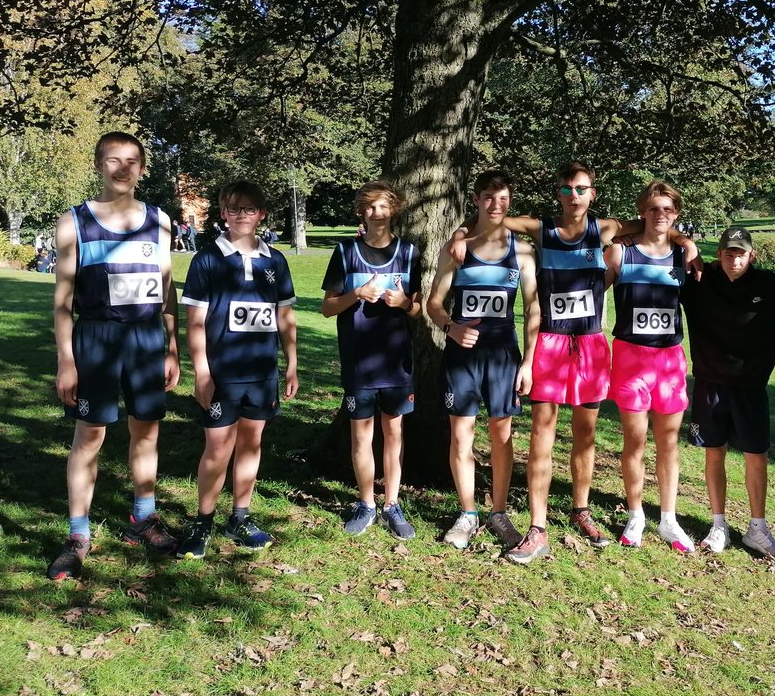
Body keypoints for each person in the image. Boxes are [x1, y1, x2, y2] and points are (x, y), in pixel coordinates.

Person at [450, 162, 700, 564]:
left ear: (592, 194)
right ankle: (538, 526)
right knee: (541, 436)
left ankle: (581, 509)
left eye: (581, 189)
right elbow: (489, 215)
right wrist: (463, 233)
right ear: (559, 194)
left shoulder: (605, 230)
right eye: (566, 189)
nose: (574, 196)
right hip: (549, 344)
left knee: (585, 435)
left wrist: (685, 241)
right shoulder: (539, 227)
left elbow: (655, 223)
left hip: (590, 345)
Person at [47, 132, 180, 580]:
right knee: (90, 436)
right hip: (97, 340)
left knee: (146, 432)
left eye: (131, 160)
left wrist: (173, 346)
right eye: (112, 160)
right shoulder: (74, 222)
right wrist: (67, 359)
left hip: (146, 340)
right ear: (98, 165)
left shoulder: (160, 221)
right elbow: (63, 300)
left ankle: (143, 519)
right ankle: (78, 534)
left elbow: (166, 288)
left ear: (143, 168)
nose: (122, 168)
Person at [177, 181, 298, 558]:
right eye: (233, 209)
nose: (240, 216)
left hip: (262, 372)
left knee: (251, 443)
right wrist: (202, 372)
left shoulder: (275, 260)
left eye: (248, 209)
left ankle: (240, 517)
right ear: (222, 212)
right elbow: (194, 321)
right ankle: (203, 520)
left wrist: (291, 364)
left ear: (261, 214)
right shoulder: (208, 259)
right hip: (222, 372)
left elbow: (285, 316)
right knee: (217, 447)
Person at [426, 170, 540, 552]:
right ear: (476, 200)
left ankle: (500, 511)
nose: (497, 205)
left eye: (504, 198)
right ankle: (468, 513)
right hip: (462, 356)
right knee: (462, 435)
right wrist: (451, 327)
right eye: (490, 197)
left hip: (504, 356)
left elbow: (534, 308)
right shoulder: (456, 248)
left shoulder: (521, 251)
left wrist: (527, 364)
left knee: (502, 434)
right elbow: (434, 303)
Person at [680, 227, 775, 559]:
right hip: (710, 383)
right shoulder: (700, 280)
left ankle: (758, 528)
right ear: (719, 254)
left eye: (740, 253)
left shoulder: (771, 286)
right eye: (728, 253)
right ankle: (719, 525)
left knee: (756, 456)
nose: (734, 259)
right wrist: (685, 241)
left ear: (751, 256)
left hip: (751, 387)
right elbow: (657, 236)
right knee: (714, 453)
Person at [321, 181, 422, 540]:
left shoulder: (409, 253)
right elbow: (326, 307)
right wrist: (356, 294)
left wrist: (404, 304)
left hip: (396, 362)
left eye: (382, 207)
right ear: (361, 211)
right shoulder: (346, 251)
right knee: (361, 435)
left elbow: (420, 307)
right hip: (358, 360)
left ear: (393, 209)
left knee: (393, 433)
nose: (376, 213)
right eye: (369, 207)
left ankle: (392, 504)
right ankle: (366, 503)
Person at [605, 180, 696, 553]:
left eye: (668, 210)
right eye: (654, 209)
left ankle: (669, 519)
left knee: (668, 442)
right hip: (630, 356)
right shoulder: (619, 253)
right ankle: (636, 513)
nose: (661, 216)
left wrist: (685, 241)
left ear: (676, 214)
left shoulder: (685, 257)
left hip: (669, 359)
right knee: (635, 441)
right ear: (642, 210)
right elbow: (592, 291)